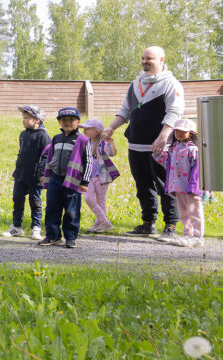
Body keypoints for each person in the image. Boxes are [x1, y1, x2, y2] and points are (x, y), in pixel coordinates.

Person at [103, 46, 184, 240]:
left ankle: (171, 225)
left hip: (159, 147)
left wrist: (164, 136)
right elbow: (126, 111)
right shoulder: (136, 83)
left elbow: (174, 112)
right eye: (142, 58)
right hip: (136, 145)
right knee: (143, 186)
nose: (145, 61)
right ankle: (148, 223)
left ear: (161, 60)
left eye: (149, 58)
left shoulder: (171, 84)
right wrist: (111, 128)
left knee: (165, 186)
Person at [37, 107, 93, 249]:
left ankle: (70, 237)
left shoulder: (83, 140)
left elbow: (89, 161)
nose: (67, 122)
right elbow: (50, 158)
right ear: (59, 122)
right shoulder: (56, 138)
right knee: (52, 209)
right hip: (55, 179)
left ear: (78, 122)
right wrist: (44, 174)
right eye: (64, 120)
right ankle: (53, 236)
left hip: (72, 181)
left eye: (71, 120)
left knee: (71, 210)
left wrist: (85, 181)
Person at [1, 106, 49, 240]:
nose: (24, 120)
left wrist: (42, 173)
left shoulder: (43, 136)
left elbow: (46, 157)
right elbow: (21, 151)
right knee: (17, 199)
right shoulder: (23, 134)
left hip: (35, 176)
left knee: (35, 201)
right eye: (23, 117)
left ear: (37, 120)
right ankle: (16, 227)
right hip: (21, 174)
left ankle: (36, 228)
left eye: (27, 118)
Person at [154, 119, 204, 247]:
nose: (179, 133)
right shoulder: (174, 148)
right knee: (183, 212)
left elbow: (197, 169)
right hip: (179, 186)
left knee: (195, 211)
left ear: (191, 133)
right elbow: (168, 164)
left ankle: (198, 236)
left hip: (191, 187)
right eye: (177, 131)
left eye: (183, 131)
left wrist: (194, 186)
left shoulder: (193, 149)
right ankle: (187, 234)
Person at [81, 118, 120, 234]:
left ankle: (100, 223)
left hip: (102, 177)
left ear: (97, 131)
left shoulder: (102, 143)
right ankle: (105, 222)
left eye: (87, 129)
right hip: (87, 177)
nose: (85, 131)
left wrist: (110, 142)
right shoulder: (84, 143)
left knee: (100, 200)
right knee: (88, 198)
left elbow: (113, 153)